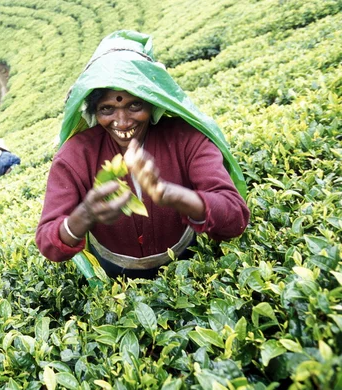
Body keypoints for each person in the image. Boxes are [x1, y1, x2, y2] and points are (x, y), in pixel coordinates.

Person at [36, 30, 250, 280]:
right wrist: (83, 216)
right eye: (107, 109)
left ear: (152, 101)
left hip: (187, 263)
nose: (122, 122)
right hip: (116, 273)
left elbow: (234, 218)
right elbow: (48, 243)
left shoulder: (186, 139)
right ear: (94, 112)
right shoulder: (75, 157)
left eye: (134, 105)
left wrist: (174, 196)